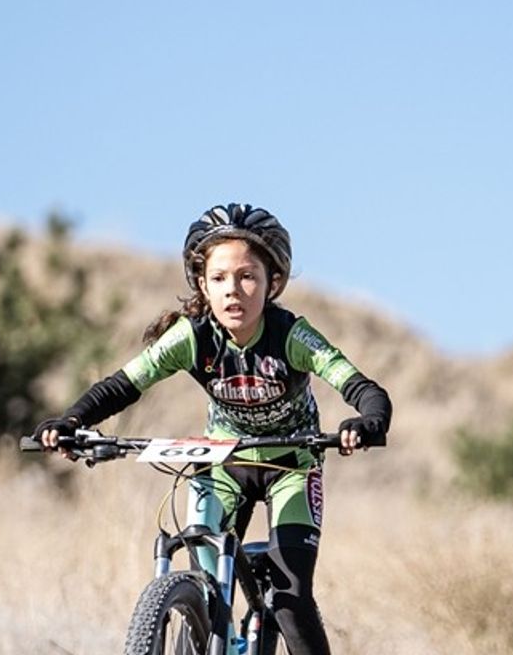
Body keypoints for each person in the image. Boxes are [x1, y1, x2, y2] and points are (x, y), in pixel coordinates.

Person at [33, 202, 392, 655]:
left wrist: (367, 421)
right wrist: (71, 421)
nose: (233, 290)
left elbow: (362, 387)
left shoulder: (292, 336)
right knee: (205, 584)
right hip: (224, 463)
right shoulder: (192, 337)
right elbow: (123, 385)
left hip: (292, 468)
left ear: (272, 283)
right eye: (219, 278)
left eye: (248, 277)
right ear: (202, 283)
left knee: (288, 599)